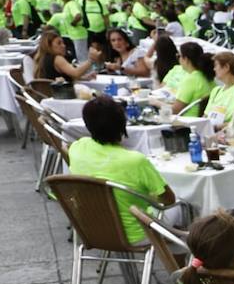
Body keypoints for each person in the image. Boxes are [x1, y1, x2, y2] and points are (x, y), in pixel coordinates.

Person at [67, 96, 176, 245]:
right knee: (183, 210)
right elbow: (169, 200)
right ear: (122, 123)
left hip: (91, 230)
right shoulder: (135, 161)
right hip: (137, 233)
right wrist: (148, 197)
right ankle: (179, 265)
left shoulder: (77, 147)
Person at [31, 27, 95, 81]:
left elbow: (68, 76)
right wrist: (91, 60)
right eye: (59, 43)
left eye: (63, 43)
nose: (63, 46)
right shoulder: (57, 59)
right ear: (49, 46)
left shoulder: (41, 58)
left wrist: (85, 78)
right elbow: (75, 73)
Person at [171, 40, 216, 117]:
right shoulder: (208, 75)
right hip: (201, 122)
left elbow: (175, 110)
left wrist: (156, 103)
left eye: (179, 56)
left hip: (186, 123)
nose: (178, 59)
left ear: (186, 59)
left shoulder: (191, 79)